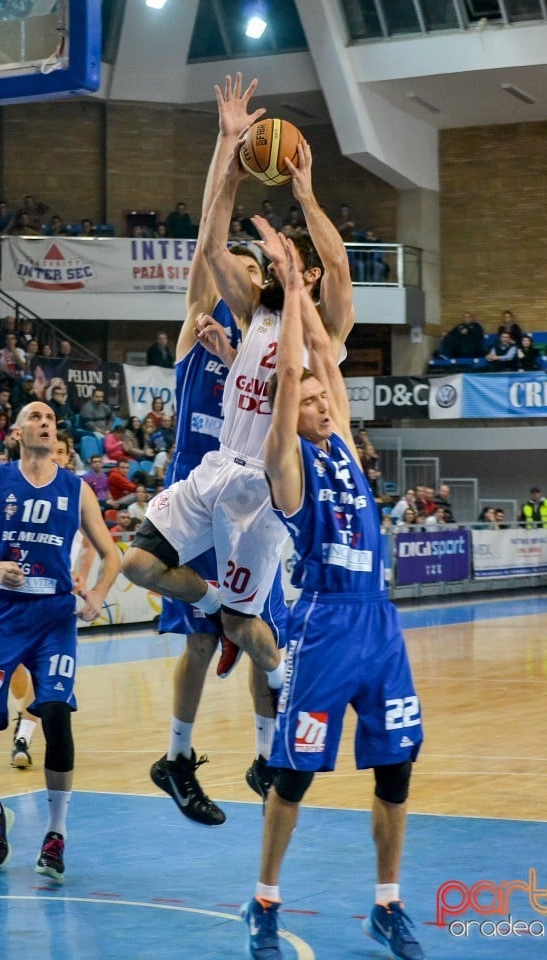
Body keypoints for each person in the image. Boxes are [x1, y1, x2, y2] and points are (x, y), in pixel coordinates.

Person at [122, 72, 354, 741]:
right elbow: (209, 245)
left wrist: (306, 196)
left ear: (301, 272)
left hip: (268, 488)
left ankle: (278, 686)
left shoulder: (321, 333)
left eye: (287, 259)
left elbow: (337, 271)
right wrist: (228, 152)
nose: (273, 260)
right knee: (138, 564)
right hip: (217, 468)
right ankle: (224, 605)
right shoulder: (254, 313)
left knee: (245, 632)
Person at [241, 235, 424, 960]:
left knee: (397, 768)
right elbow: (292, 371)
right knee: (294, 774)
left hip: (378, 622)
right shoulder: (284, 462)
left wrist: (307, 294)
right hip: (323, 625)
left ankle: (388, 903)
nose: (321, 400)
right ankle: (264, 899)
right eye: (311, 398)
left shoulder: (345, 442)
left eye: (325, 397)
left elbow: (317, 354)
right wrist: (286, 290)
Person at [139, 74, 287, 827]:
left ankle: (268, 757)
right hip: (197, 501)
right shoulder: (199, 334)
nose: (247, 277)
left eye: (258, 275)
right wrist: (227, 147)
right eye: (243, 271)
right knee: (202, 642)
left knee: (262, 634)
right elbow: (206, 242)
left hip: (250, 507)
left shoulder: (262, 359)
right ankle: (179, 756)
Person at [0, 402, 120, 881]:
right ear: (15, 432)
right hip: (1, 615)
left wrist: (96, 594)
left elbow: (111, 554)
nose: (45, 422)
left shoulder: (76, 489)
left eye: (51, 418)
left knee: (54, 712)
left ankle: (56, 834)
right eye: (35, 416)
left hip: (54, 618)